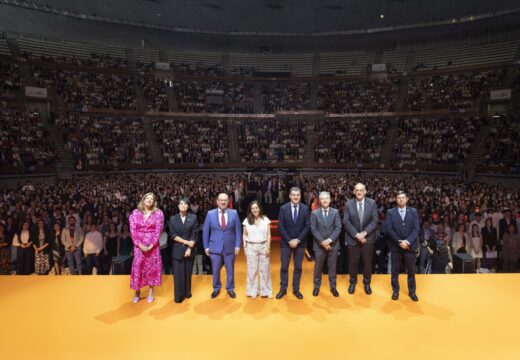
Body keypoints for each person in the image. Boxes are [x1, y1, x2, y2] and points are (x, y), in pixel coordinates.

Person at [203, 193, 242, 299]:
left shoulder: (234, 213)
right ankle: (216, 288)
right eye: (221, 200)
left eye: (225, 200)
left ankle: (230, 289)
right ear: (217, 202)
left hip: (230, 247)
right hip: (215, 247)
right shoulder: (210, 214)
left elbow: (238, 231)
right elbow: (206, 231)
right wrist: (206, 247)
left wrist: (238, 245)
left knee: (230, 270)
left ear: (228, 201)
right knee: (215, 270)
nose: (223, 202)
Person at [343, 183, 379, 295]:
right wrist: (357, 235)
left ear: (365, 191)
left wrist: (364, 233)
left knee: (367, 263)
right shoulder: (348, 204)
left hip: (368, 239)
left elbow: (375, 221)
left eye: (361, 190)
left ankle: (367, 283)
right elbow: (346, 221)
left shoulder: (372, 203)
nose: (359, 192)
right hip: (353, 239)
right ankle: (352, 283)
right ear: (354, 192)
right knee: (352, 263)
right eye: (357, 190)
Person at [129, 192, 164, 303]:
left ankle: (150, 292)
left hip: (153, 246)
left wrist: (151, 245)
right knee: (138, 266)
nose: (150, 200)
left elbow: (159, 230)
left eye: (152, 199)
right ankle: (137, 292)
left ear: (154, 202)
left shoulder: (158, 213)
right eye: (147, 198)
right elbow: (132, 230)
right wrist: (139, 245)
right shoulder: (135, 213)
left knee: (152, 268)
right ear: (143, 200)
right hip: (139, 246)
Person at [385, 191, 420, 302]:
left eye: (403, 197)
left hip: (410, 246)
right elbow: (389, 229)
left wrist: (407, 242)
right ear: (396, 200)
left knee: (411, 271)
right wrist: (400, 241)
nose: (401, 199)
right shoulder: (390, 212)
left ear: (407, 199)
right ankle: (395, 291)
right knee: (395, 271)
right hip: (396, 246)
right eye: (399, 198)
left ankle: (412, 292)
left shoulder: (413, 211)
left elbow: (416, 229)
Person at [276, 187, 310, 300]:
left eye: (298, 195)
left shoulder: (305, 209)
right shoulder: (283, 208)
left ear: (300, 196)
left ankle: (296, 289)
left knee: (298, 267)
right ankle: (283, 289)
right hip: (286, 243)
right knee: (284, 267)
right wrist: (289, 240)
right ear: (290, 196)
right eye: (293, 195)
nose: (296, 197)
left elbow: (307, 226)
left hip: (300, 244)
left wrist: (298, 240)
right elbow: (280, 226)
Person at [310, 192, 341, 297]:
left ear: (330, 200)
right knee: (318, 267)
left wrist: (329, 240)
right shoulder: (314, 213)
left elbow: (338, 228)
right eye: (322, 198)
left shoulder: (336, 212)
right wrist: (322, 242)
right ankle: (316, 287)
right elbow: (313, 229)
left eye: (326, 198)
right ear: (319, 200)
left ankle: (333, 287)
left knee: (332, 267)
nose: (324, 200)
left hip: (333, 245)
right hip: (319, 245)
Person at [169, 197, 199, 303]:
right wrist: (186, 243)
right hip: (177, 250)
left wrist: (190, 248)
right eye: (181, 203)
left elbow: (194, 234)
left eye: (185, 204)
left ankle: (187, 293)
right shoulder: (173, 219)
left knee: (187, 273)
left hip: (189, 250)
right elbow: (173, 235)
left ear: (188, 206)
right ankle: (179, 296)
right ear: (178, 206)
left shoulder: (193, 217)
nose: (183, 205)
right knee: (178, 275)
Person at [242, 201, 272, 299]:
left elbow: (268, 234)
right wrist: (245, 248)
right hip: (251, 247)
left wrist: (268, 247)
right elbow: (244, 234)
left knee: (265, 270)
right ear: (250, 210)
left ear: (259, 208)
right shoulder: (246, 221)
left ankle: (266, 291)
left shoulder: (265, 220)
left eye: (256, 208)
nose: (255, 210)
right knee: (252, 270)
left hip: (263, 246)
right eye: (252, 208)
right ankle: (252, 291)